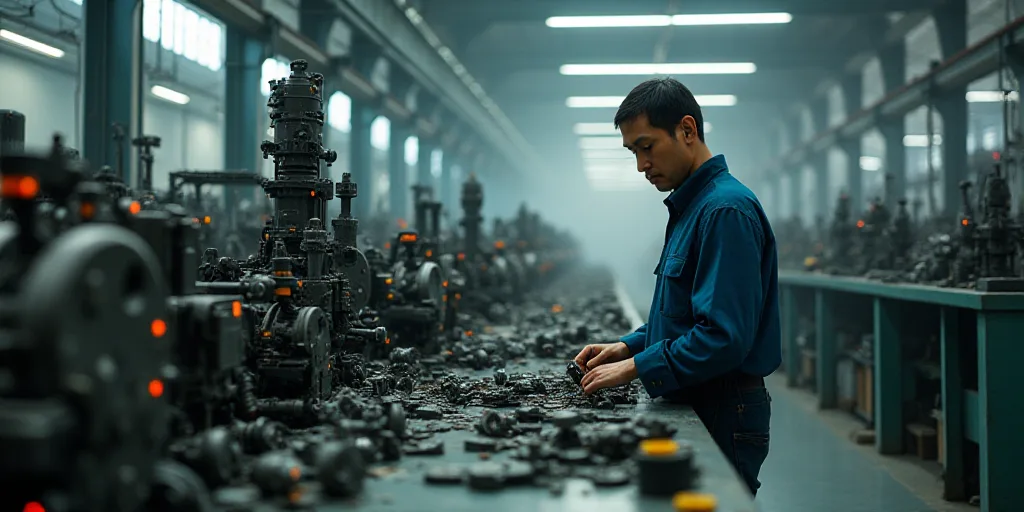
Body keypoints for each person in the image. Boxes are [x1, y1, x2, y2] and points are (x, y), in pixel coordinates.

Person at [573, 77, 781, 496]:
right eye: (633, 152)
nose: (641, 165)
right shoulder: (693, 207)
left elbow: (723, 337)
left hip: (723, 406)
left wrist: (635, 368)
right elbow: (686, 315)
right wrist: (630, 345)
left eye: (647, 147)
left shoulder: (724, 210)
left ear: (687, 130)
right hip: (702, 394)